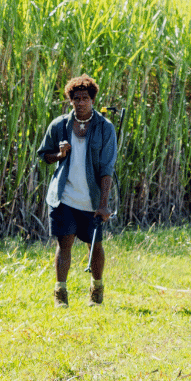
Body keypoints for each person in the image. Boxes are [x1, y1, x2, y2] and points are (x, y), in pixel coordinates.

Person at [36, 74, 117, 307]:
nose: (80, 102)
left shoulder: (105, 128)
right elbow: (45, 155)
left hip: (92, 200)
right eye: (76, 98)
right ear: (70, 100)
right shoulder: (59, 125)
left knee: (96, 246)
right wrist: (60, 154)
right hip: (64, 196)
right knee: (64, 244)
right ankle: (60, 294)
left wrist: (103, 204)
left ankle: (96, 289)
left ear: (92, 99)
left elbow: (106, 169)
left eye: (85, 98)